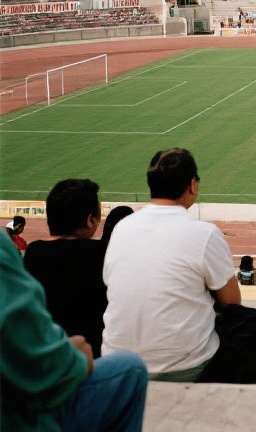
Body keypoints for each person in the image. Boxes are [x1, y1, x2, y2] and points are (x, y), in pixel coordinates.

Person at [103, 148, 242, 380]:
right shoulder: (205, 234)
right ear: (192, 186)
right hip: (185, 367)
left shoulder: (121, 228)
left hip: (116, 363)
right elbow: (232, 302)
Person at [1, 236, 149, 432]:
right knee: (131, 369)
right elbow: (38, 364)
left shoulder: (35, 251)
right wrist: (74, 358)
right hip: (19, 415)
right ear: (89, 222)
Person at [23, 179, 107, 358]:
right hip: (92, 357)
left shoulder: (34, 253)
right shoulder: (103, 253)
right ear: (90, 220)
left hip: (43, 355)